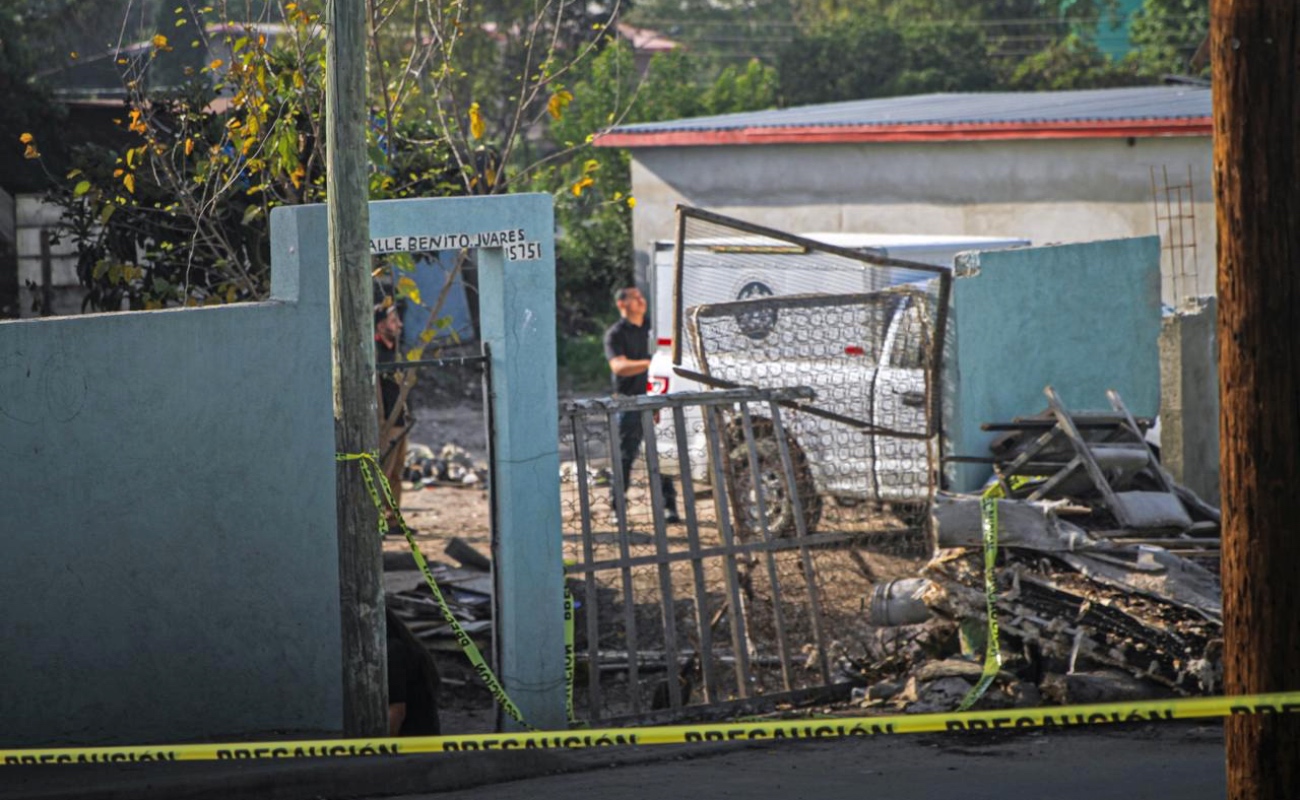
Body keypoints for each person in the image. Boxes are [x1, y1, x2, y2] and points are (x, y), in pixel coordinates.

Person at [603, 286, 680, 524]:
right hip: (629, 402)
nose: (641, 300)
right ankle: (618, 508)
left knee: (661, 453)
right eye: (634, 298)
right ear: (622, 304)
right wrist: (651, 362)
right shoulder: (615, 334)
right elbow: (618, 366)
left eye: (641, 297)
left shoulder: (653, 329)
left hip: (656, 400)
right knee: (625, 456)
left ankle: (670, 507)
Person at [375, 301, 409, 524]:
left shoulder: (396, 351)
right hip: (386, 421)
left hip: (401, 419)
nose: (399, 325)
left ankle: (393, 519)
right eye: (393, 321)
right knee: (384, 472)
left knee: (397, 473)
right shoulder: (374, 352)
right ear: (380, 326)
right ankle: (377, 519)